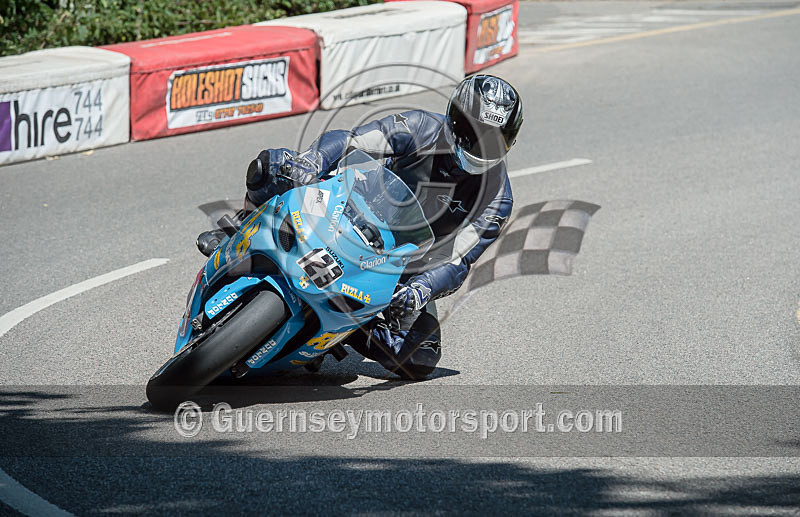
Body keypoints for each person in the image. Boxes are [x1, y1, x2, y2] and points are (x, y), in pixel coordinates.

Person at [197, 74, 523, 380]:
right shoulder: (420, 126)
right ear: (454, 118)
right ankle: (243, 229)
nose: (482, 146)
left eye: (495, 139)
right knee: (273, 166)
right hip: (354, 209)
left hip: (407, 264)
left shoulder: (498, 199)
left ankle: (347, 327)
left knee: (419, 356)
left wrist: (422, 289)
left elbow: (460, 260)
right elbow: (354, 141)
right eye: (475, 131)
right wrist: (311, 161)